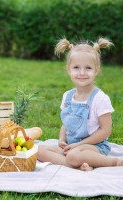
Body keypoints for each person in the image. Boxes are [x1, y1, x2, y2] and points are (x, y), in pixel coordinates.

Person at [37, 37, 123, 171]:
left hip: (94, 147)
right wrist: (61, 140)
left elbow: (105, 130)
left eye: (88, 68)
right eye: (76, 68)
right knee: (39, 150)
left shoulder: (100, 98)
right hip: (71, 147)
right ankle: (80, 166)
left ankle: (115, 162)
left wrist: (80, 145)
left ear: (96, 70)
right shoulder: (68, 96)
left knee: (73, 156)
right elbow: (66, 123)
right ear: (68, 69)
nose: (82, 73)